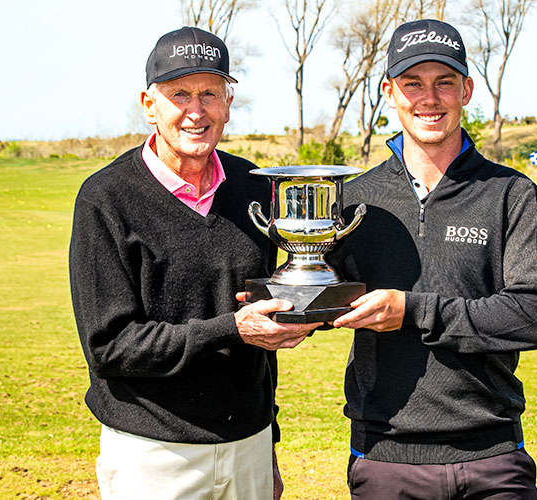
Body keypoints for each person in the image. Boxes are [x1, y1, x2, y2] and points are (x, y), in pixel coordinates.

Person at [69, 26, 319, 500]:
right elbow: (110, 347)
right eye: (179, 93)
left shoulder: (254, 186)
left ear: (228, 103)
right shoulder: (106, 198)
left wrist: (269, 443)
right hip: (154, 454)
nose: (196, 111)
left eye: (210, 93)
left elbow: (261, 322)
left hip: (248, 444)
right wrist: (231, 329)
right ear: (149, 105)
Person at [328, 19, 537, 500]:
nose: (428, 98)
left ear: (467, 90)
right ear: (390, 92)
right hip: (386, 459)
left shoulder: (511, 194)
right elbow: (324, 300)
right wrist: (283, 302)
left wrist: (413, 310)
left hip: (492, 458)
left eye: (444, 83)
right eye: (413, 83)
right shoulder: (352, 199)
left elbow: (534, 316)